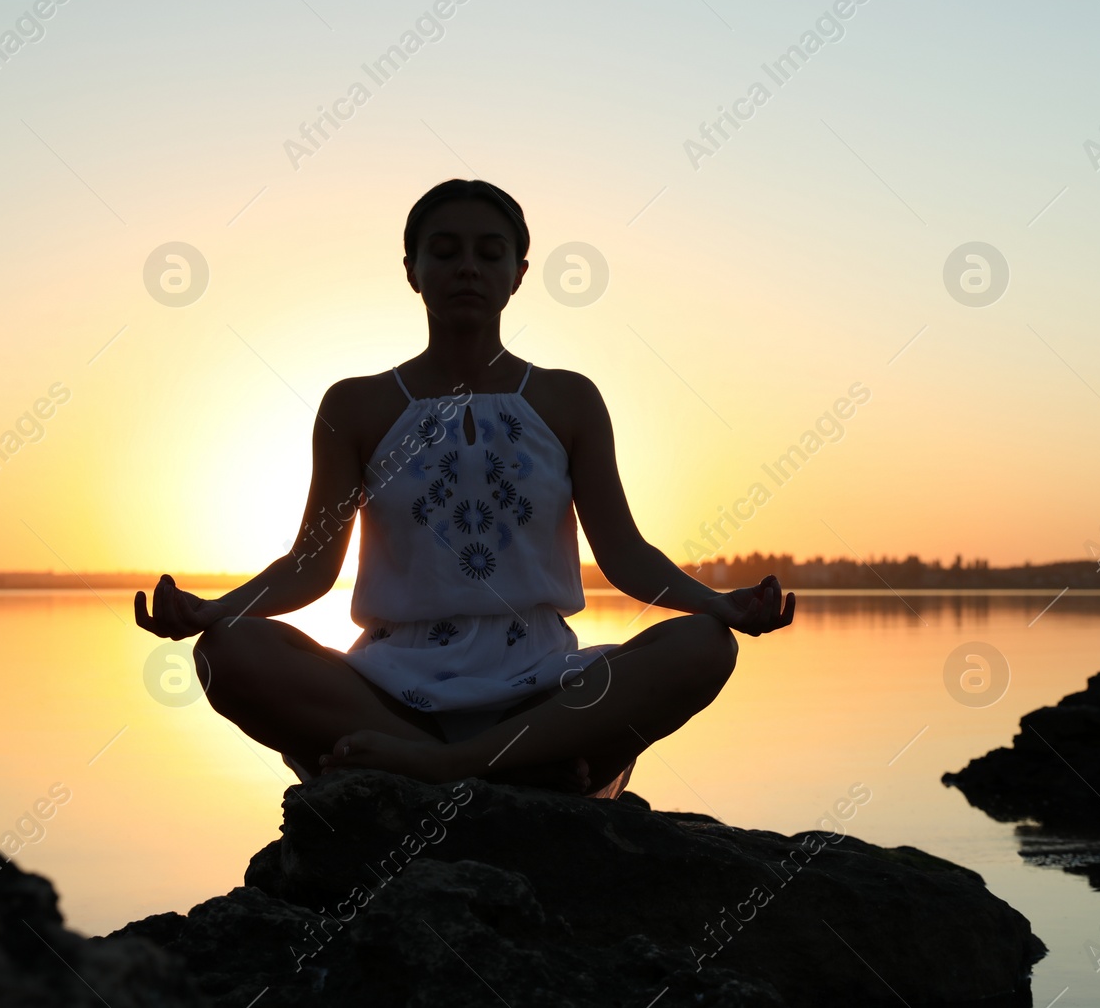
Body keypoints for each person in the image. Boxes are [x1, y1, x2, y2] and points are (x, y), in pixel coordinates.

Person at [133, 178, 795, 797]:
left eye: (490, 252)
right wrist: (211, 613)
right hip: (388, 689)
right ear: (412, 271)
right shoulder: (356, 405)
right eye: (444, 251)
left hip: (544, 685)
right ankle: (507, 766)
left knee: (703, 645)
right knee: (230, 653)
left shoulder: (569, 400)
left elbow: (624, 554)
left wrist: (721, 605)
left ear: (519, 275)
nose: (467, 268)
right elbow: (310, 567)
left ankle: (444, 769)